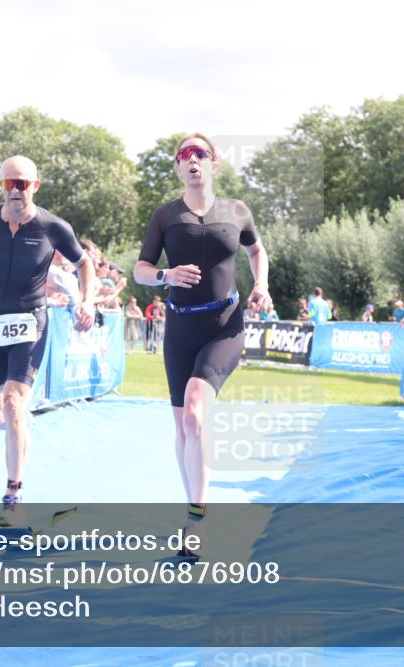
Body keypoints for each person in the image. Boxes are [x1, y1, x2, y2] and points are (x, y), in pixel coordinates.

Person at [134, 132, 271, 556]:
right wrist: (165, 276)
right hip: (179, 328)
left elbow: (257, 251)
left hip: (224, 325)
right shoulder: (165, 215)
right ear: (177, 167)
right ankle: (192, 505)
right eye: (184, 155)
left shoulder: (237, 210)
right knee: (183, 427)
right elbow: (140, 269)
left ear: (214, 164)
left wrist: (261, 284)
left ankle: (197, 520)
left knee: (195, 412)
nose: (193, 160)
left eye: (201, 154)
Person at [0, 155, 95, 525]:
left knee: (15, 403)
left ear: (36, 186)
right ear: (1, 185)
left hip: (31, 321)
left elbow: (84, 264)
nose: (16, 190)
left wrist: (87, 300)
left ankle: (13, 496)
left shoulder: (53, 226)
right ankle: (19, 430)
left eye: (23, 183)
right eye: (8, 184)